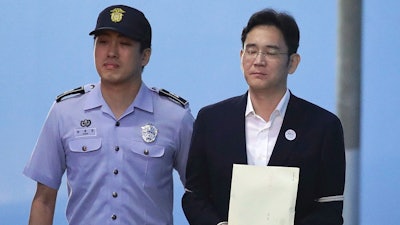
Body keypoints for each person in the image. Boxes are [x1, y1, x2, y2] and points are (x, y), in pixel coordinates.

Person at [24, 5, 194, 225]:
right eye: (102, 42)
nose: (111, 52)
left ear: (145, 56)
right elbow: (44, 200)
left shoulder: (175, 117)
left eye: (124, 43)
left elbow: (200, 193)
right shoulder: (65, 112)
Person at [182, 8, 345, 225]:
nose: (258, 60)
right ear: (241, 57)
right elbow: (194, 196)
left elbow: (329, 208)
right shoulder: (211, 120)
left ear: (293, 62)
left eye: (271, 52)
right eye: (251, 51)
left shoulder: (323, 126)